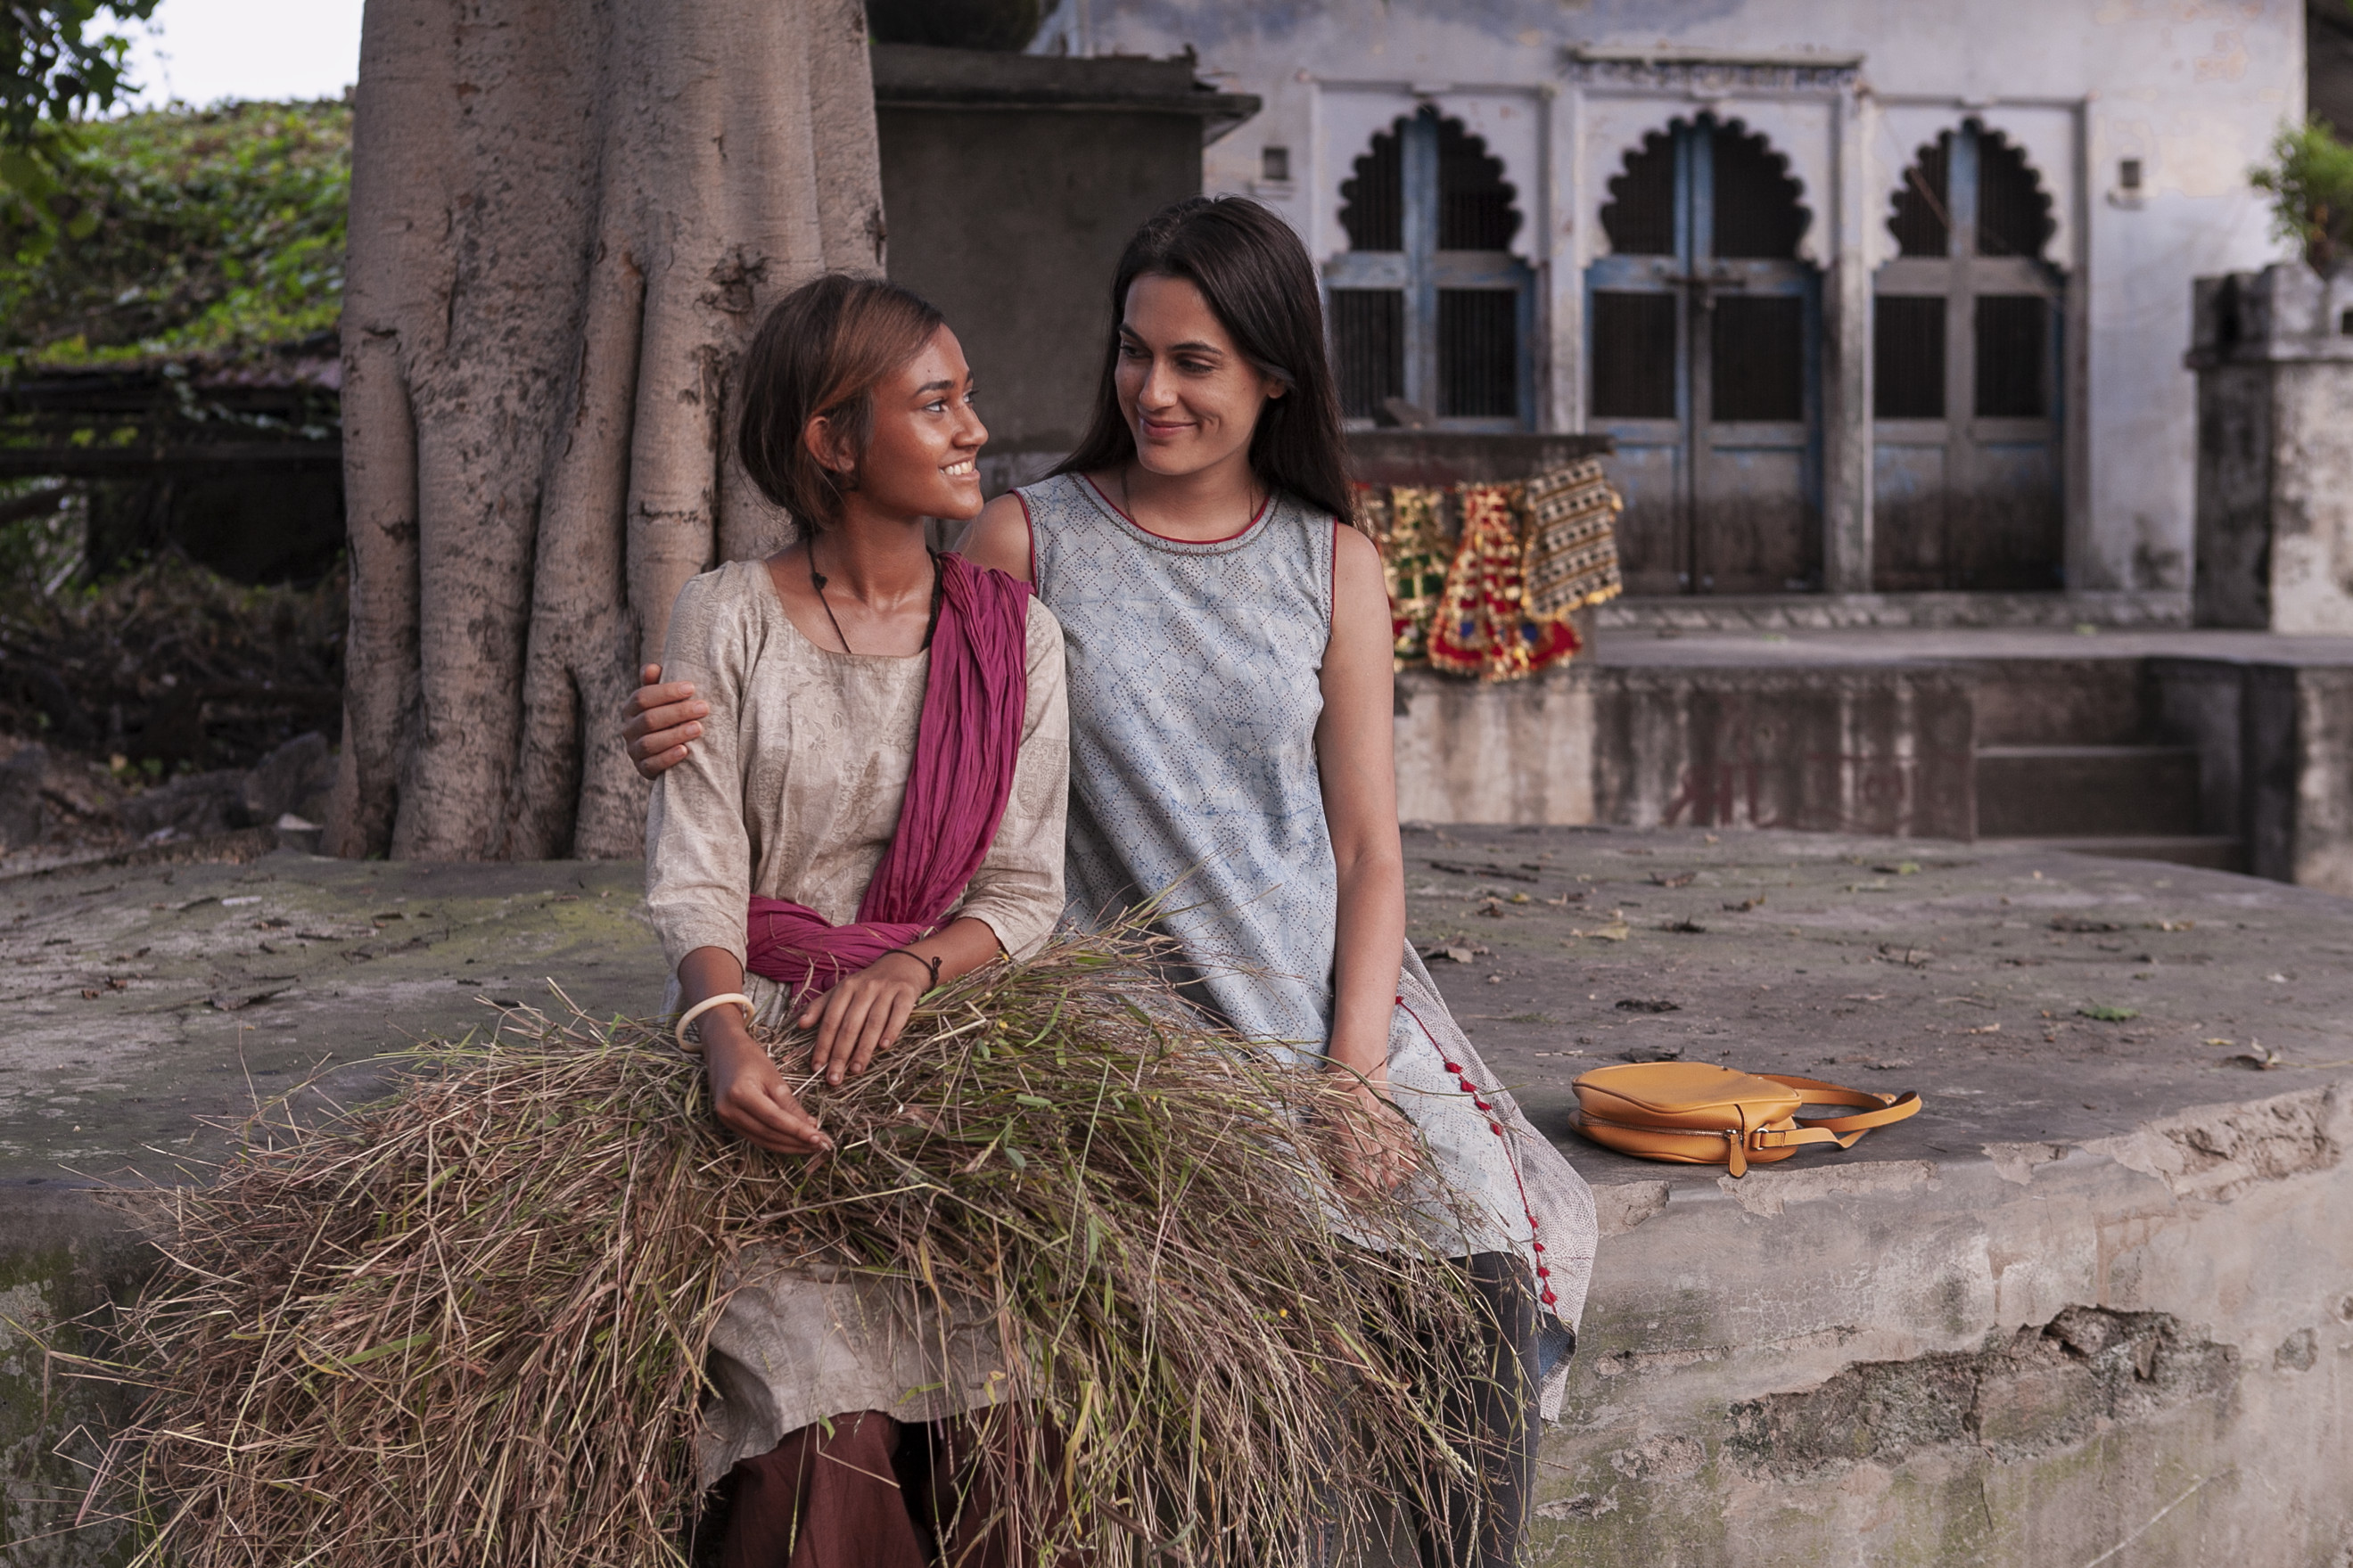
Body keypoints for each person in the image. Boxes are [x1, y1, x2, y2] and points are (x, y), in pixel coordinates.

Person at [629, 199, 1598, 1568]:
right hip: (1131, 1007)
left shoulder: (1335, 562)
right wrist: (680, 725)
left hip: (1322, 992)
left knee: (1477, 1276)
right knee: (1275, 1297)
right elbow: (901, 708)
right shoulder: (1031, 544)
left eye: (1195, 363)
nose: (1153, 391)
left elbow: (1371, 850)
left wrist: (1357, 1067)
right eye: (1135, 353)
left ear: (1275, 372)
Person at [643, 271, 1072, 1568]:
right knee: (802, 1409)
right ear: (833, 442)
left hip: (953, 1044)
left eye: (969, 399)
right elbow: (699, 872)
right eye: (935, 403)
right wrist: (728, 1047)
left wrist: (918, 974)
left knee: (1004, 1395)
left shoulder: (1017, 636)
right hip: (765, 1041)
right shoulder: (723, 619)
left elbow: (1024, 892)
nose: (973, 431)